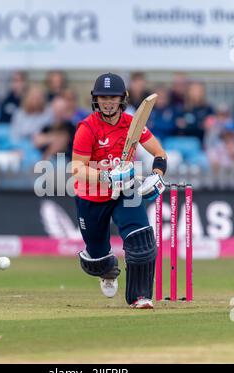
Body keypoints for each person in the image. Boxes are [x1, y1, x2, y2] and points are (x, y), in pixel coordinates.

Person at [72, 73, 167, 309]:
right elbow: (76, 168)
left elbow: (160, 154)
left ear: (122, 98)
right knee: (97, 258)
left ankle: (140, 296)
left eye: (113, 97)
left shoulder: (132, 124)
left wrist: (157, 176)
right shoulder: (88, 128)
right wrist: (107, 176)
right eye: (103, 97)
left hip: (125, 191)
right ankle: (107, 271)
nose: (108, 102)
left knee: (141, 241)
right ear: (95, 99)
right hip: (91, 196)